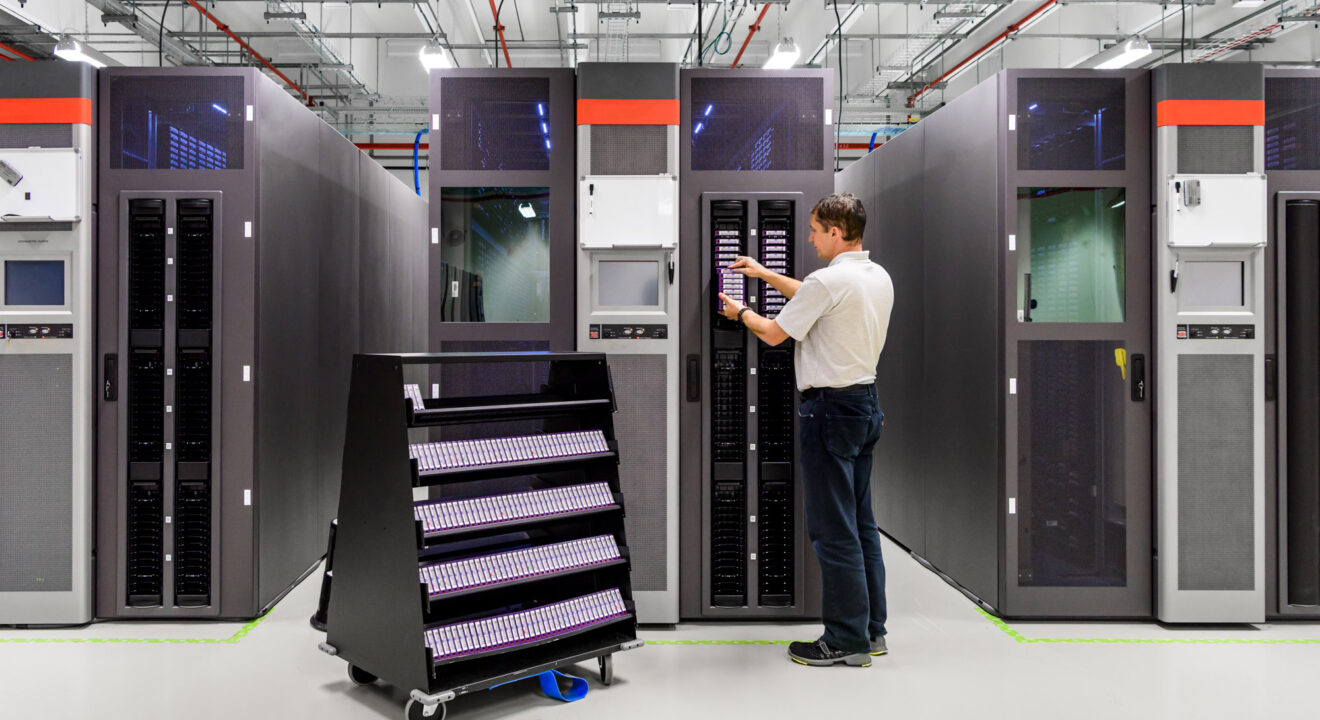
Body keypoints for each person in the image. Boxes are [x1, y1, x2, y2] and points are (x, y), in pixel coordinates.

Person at [718, 192, 894, 668]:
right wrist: (765, 273)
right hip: (865, 407)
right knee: (861, 526)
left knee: (832, 530)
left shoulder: (828, 280)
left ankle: (844, 640)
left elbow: (775, 333)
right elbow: (818, 296)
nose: (810, 237)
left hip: (830, 413)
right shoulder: (874, 276)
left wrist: (739, 314)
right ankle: (871, 632)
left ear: (837, 232)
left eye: (816, 230)